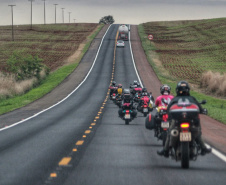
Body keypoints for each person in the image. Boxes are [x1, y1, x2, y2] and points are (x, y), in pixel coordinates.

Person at [157, 81, 212, 157]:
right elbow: (200, 108)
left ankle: (166, 149)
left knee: (170, 132)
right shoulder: (192, 98)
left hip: (178, 121)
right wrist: (203, 111)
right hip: (190, 121)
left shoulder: (175, 99)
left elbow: (168, 110)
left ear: (177, 90)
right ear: (188, 90)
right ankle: (203, 147)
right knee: (197, 132)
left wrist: (169, 117)